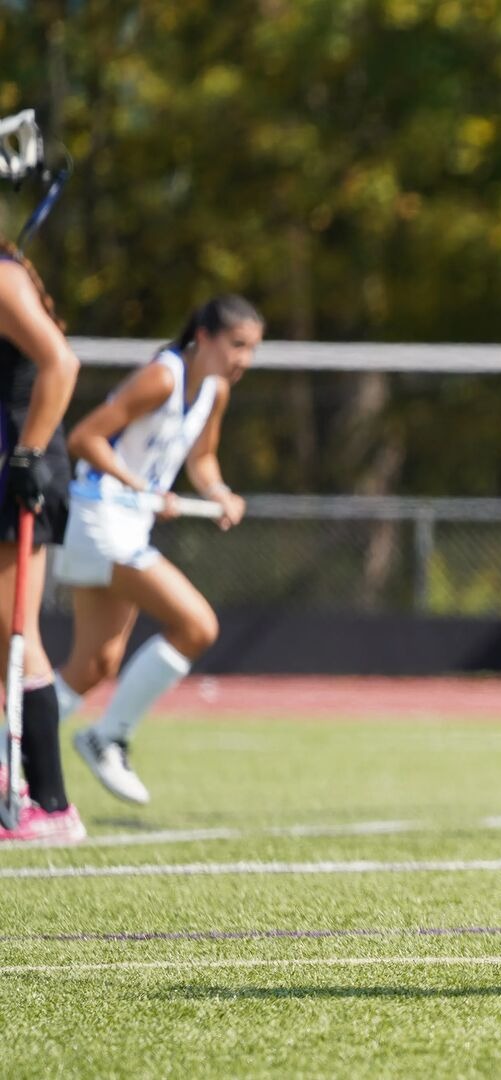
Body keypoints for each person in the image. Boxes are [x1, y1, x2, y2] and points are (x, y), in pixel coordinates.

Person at [54, 295, 259, 805]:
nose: (244, 361)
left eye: (253, 349)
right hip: (98, 518)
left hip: (129, 525)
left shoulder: (214, 392)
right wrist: (140, 487)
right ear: (204, 338)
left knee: (95, 664)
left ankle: (7, 751)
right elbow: (85, 438)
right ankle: (108, 736)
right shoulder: (163, 378)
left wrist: (218, 493)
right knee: (197, 625)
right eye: (236, 346)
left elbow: (203, 458)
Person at [0, 138, 84, 842]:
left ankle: (50, 806)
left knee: (13, 631)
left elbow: (61, 364)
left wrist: (26, 455)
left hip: (26, 468)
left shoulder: (1, 276)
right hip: (15, 461)